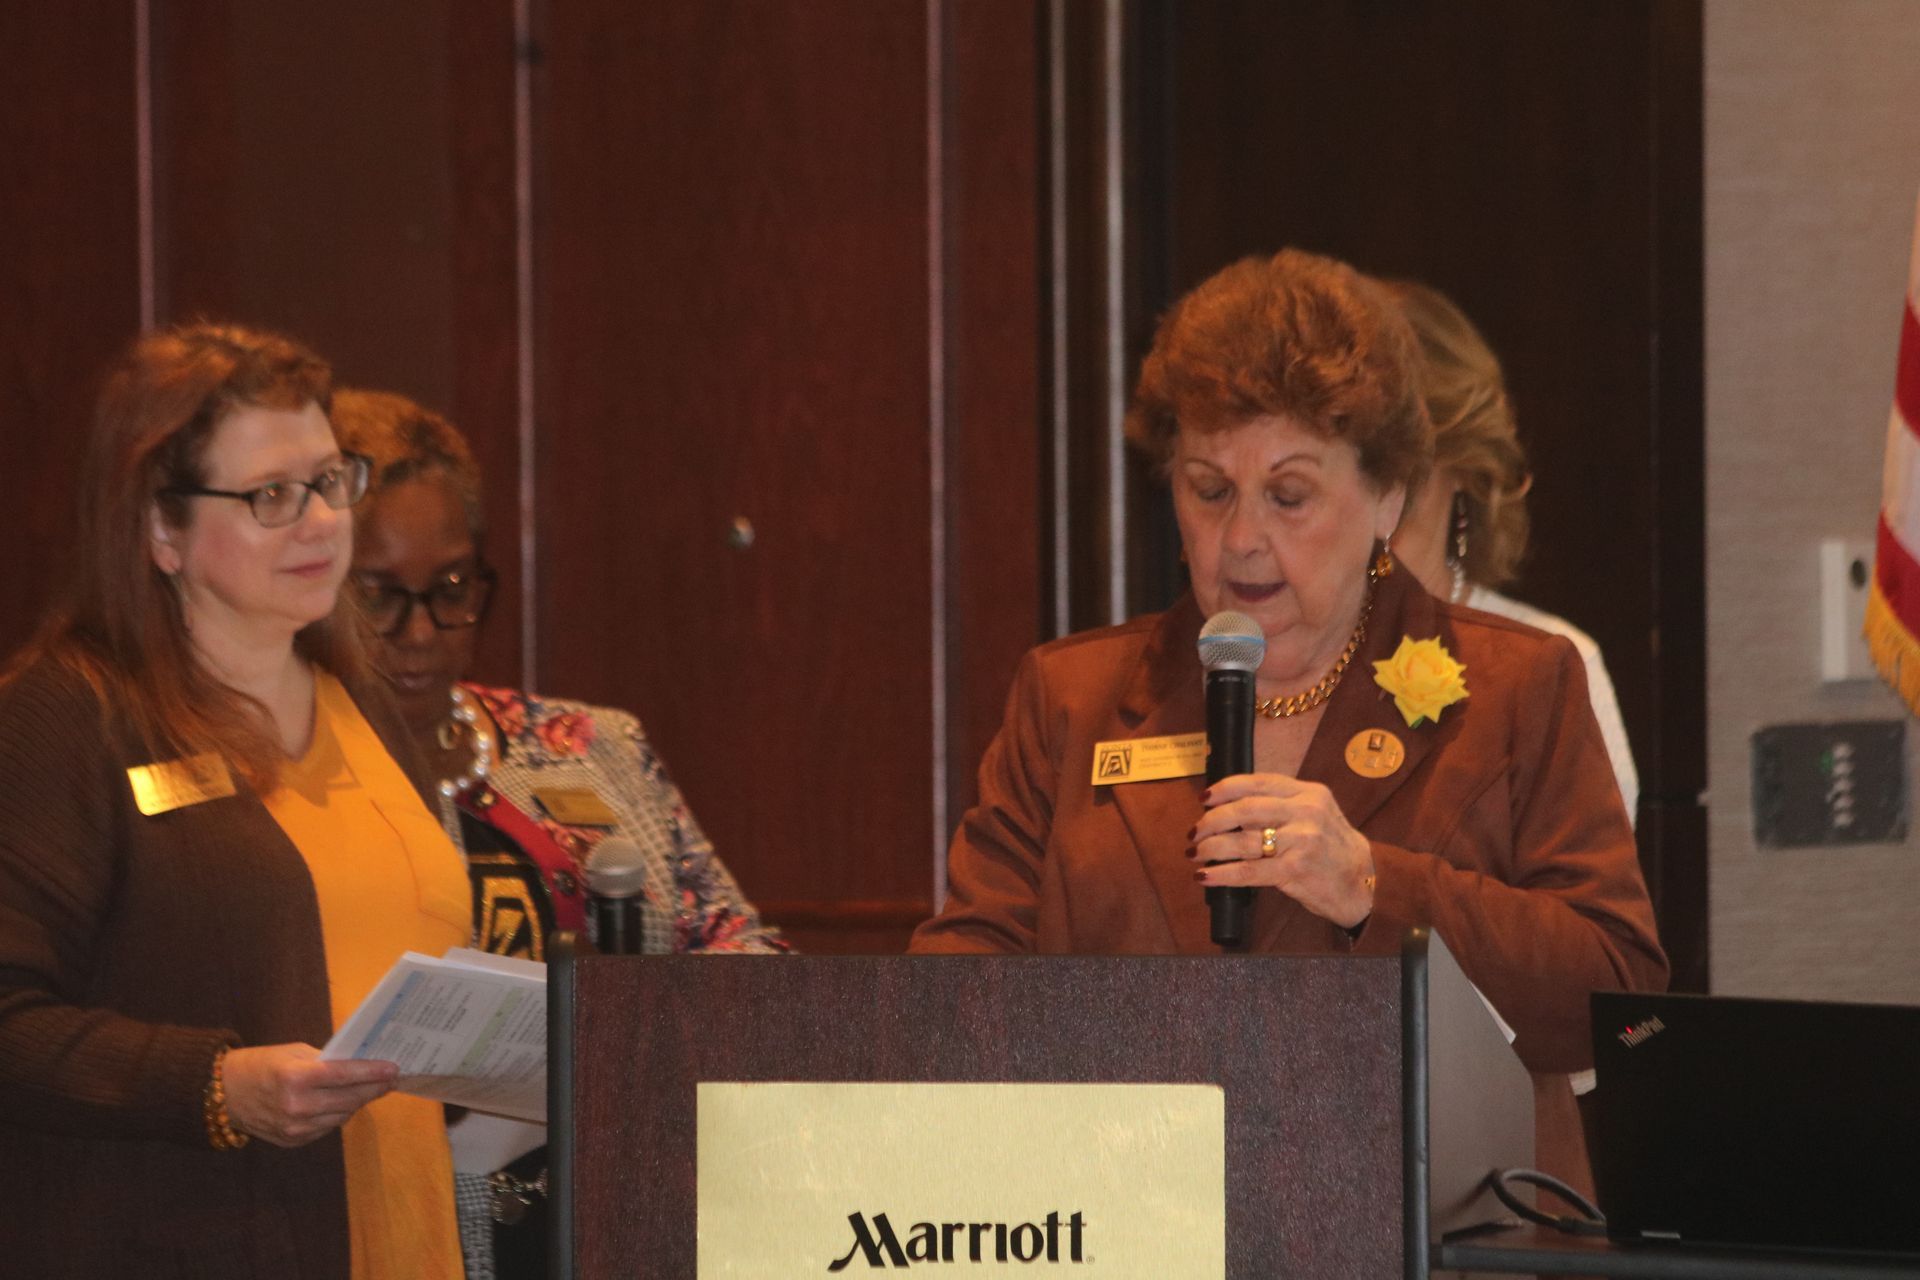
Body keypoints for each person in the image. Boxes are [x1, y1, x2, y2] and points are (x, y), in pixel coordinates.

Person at [910, 249, 1668, 1196]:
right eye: (1208, 487)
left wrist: (1373, 885)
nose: (1241, 539)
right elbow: (955, 990)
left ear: (1388, 495)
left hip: (1431, 1236)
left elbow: (1619, 1003)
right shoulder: (1071, 698)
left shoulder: (1519, 687)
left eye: (1290, 494)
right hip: (1133, 1221)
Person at [0, 324, 466, 1276]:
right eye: (270, 497)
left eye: (333, 480)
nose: (323, 522)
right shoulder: (68, 717)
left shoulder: (364, 704)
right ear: (160, 530)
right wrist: (215, 1084)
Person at [330, 388, 787, 1280]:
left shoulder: (588, 745)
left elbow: (746, 950)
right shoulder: (288, 778)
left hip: (616, 1209)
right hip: (392, 1226)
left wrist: (646, 1037)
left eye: (452, 590)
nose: (420, 633)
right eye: (378, 597)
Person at [1386, 278, 1639, 822]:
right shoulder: (1259, 655)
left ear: (1462, 459)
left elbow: (1589, 904)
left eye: (1395, 464)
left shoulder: (1553, 663)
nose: (1371, 496)